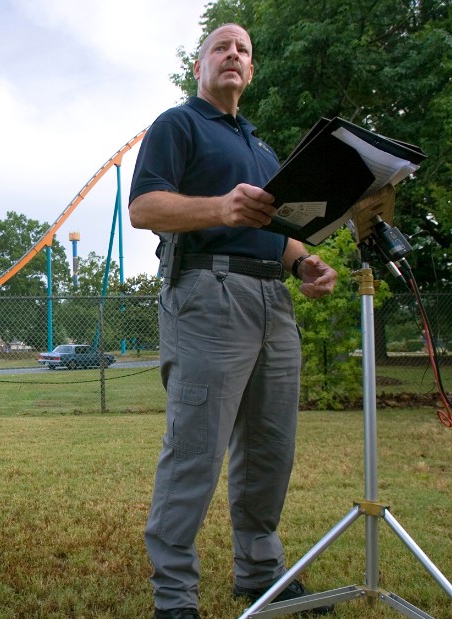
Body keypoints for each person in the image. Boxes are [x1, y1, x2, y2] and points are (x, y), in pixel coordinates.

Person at [128, 23, 340, 618]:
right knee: (196, 448)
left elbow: (281, 233)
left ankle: (261, 574)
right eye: (221, 46)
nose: (233, 54)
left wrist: (306, 264)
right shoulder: (179, 124)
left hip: (274, 301)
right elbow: (143, 206)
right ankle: (173, 597)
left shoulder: (264, 149)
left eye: (243, 50)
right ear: (200, 66)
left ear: (251, 72)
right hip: (207, 293)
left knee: (271, 447)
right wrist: (220, 207)